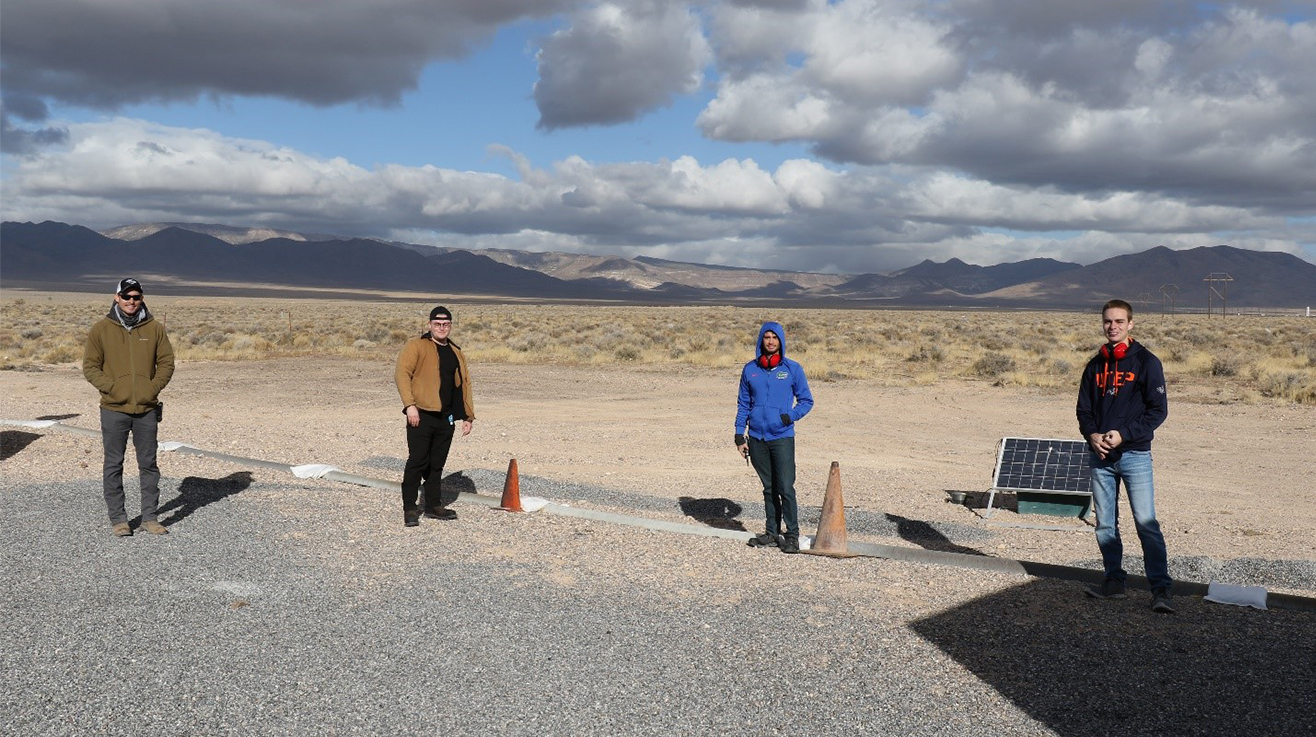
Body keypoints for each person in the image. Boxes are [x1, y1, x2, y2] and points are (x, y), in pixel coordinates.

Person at [1076, 299, 1173, 613]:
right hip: (1101, 457)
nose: (1112, 327)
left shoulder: (1147, 362)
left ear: (1131, 324)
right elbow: (1084, 411)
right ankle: (1114, 582)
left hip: (1134, 455)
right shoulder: (1095, 365)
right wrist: (1092, 435)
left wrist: (1124, 434)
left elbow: (1158, 411)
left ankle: (1160, 590)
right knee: (1105, 525)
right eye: (1108, 321)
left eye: (1119, 321)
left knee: (1146, 524)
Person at [82, 278, 175, 537]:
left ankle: (150, 518)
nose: (131, 301)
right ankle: (119, 520)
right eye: (126, 296)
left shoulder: (154, 328)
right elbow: (90, 366)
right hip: (113, 408)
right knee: (114, 464)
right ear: (116, 298)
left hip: (146, 408)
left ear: (142, 298)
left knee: (148, 464)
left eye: (136, 296)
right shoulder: (101, 329)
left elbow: (167, 362)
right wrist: (113, 388)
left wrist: (151, 388)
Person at [735, 321, 814, 554]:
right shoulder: (750, 369)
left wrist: (789, 417)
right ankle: (771, 532)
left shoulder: (792, 369)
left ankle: (792, 535)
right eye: (766, 337)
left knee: (785, 487)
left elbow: (807, 401)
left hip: (781, 437)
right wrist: (740, 435)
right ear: (761, 340)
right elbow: (743, 404)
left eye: (774, 338)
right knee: (768, 488)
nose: (770, 341)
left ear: (781, 341)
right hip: (757, 437)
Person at [395, 305, 475, 527]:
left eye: (446, 324)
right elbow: (402, 374)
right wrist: (409, 406)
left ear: (450, 326)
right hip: (421, 415)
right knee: (417, 461)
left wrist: (468, 416)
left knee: (437, 464)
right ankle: (410, 508)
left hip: (446, 417)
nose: (442, 327)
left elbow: (464, 385)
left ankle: (433, 506)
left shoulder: (456, 352)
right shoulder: (416, 346)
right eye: (437, 324)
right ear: (430, 325)